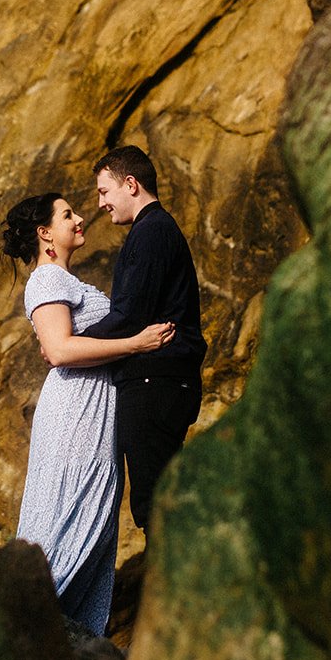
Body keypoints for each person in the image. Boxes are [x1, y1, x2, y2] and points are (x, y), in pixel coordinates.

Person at [1, 192, 175, 635]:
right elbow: (59, 349)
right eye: (67, 215)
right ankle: (19, 640)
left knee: (90, 532)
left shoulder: (66, 282)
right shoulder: (46, 281)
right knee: (65, 528)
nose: (80, 218)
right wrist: (137, 343)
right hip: (74, 418)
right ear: (45, 234)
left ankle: (62, 650)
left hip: (94, 419)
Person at [82, 145, 205, 536]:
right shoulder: (154, 230)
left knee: (155, 505)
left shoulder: (152, 231)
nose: (101, 203)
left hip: (156, 382)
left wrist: (72, 343)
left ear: (130, 184)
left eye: (104, 191)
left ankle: (171, 593)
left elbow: (129, 316)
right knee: (158, 500)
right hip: (161, 382)